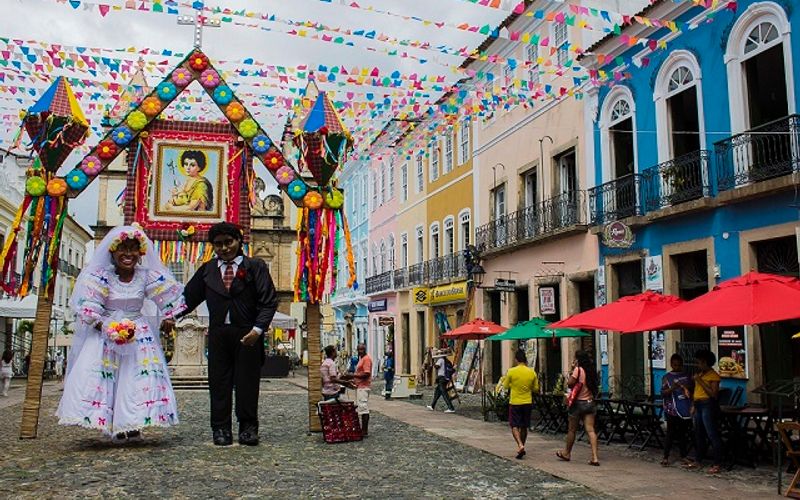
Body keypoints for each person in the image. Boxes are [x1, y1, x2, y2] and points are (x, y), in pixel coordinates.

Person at [56, 226, 184, 442]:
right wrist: (109, 329)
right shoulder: (100, 277)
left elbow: (169, 298)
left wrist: (169, 316)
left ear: (140, 252)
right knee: (107, 379)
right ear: (113, 251)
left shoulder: (146, 276)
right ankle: (108, 423)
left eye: (133, 249)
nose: (128, 254)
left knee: (135, 380)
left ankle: (132, 424)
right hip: (105, 335)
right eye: (123, 249)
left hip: (138, 334)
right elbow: (89, 310)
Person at [167, 222, 278, 446]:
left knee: (247, 383)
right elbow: (188, 298)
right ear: (213, 246)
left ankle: (248, 428)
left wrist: (258, 329)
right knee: (219, 383)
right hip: (218, 334)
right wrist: (171, 316)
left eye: (229, 242)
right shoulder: (207, 270)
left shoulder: (255, 266)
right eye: (218, 244)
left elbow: (268, 301)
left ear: (239, 241)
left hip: (248, 334)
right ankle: (220, 429)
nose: (224, 248)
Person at [557, 350, 600, 466]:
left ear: (578, 359)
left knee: (572, 430)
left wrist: (572, 370)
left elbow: (570, 383)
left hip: (578, 403)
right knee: (590, 430)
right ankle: (595, 457)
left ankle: (567, 453)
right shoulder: (591, 371)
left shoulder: (578, 370)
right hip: (590, 402)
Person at [684, 349, 723, 474]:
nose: (697, 365)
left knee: (712, 434)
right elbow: (697, 391)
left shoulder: (713, 376)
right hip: (698, 405)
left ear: (705, 362)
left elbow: (713, 394)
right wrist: (693, 405)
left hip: (708, 405)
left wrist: (700, 381)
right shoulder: (700, 374)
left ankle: (717, 463)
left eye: (699, 362)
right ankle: (698, 459)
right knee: (699, 434)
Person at [503, 349, 539, 459]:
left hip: (515, 402)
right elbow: (536, 389)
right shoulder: (532, 372)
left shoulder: (511, 371)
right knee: (524, 426)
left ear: (516, 360)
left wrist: (514, 385)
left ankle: (520, 444)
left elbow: (505, 386)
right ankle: (522, 445)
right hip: (527, 402)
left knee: (514, 425)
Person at [661, 354, 693, 466]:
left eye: (679, 365)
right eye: (675, 365)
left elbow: (692, 389)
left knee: (682, 433)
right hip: (671, 409)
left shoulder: (687, 376)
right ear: (671, 364)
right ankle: (665, 457)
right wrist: (673, 388)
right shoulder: (666, 377)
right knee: (670, 433)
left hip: (684, 407)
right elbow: (663, 393)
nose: (677, 367)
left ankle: (683, 455)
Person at [353, 343, 373, 437]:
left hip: (363, 387)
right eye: (359, 349)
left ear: (365, 349)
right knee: (361, 408)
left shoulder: (366, 359)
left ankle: (364, 431)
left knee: (363, 408)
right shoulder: (361, 359)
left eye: (362, 349)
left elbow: (366, 374)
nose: (360, 351)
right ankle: (363, 430)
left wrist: (353, 376)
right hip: (360, 386)